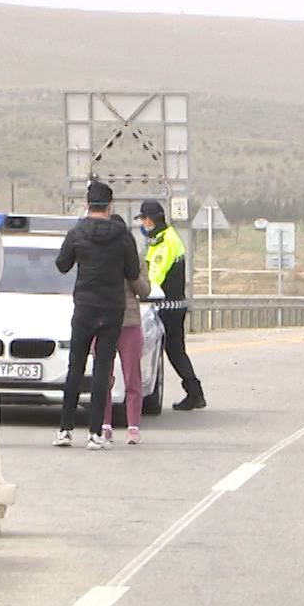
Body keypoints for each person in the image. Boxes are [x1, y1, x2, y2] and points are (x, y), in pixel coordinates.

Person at [54, 181, 143, 449]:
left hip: (84, 306)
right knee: (103, 368)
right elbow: (133, 272)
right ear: (110, 205)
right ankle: (95, 433)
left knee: (75, 367)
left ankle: (65, 430)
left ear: (87, 204)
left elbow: (62, 265)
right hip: (112, 308)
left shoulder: (77, 232)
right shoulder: (123, 235)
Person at [138, 200, 205, 411]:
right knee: (175, 350)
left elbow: (154, 277)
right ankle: (194, 392)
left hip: (169, 307)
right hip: (170, 305)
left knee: (172, 350)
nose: (142, 223)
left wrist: (139, 290)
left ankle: (194, 392)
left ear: (150, 219)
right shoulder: (161, 240)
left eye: (142, 218)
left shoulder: (166, 243)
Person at [98, 214, 153, 445]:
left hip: (129, 321)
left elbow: (145, 290)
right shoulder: (99, 258)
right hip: (103, 321)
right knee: (103, 376)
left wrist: (132, 274)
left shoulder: (136, 260)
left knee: (132, 376)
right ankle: (104, 424)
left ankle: (133, 426)